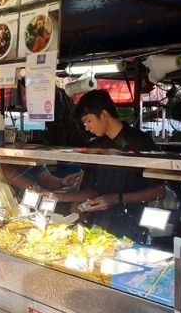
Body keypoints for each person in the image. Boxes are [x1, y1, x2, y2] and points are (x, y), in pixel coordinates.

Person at [70, 89, 166, 241]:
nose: (87, 128)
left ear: (104, 115)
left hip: (133, 226)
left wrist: (117, 198)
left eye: (88, 121)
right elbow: (90, 190)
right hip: (99, 225)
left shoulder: (140, 142)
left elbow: (159, 191)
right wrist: (58, 197)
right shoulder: (97, 146)